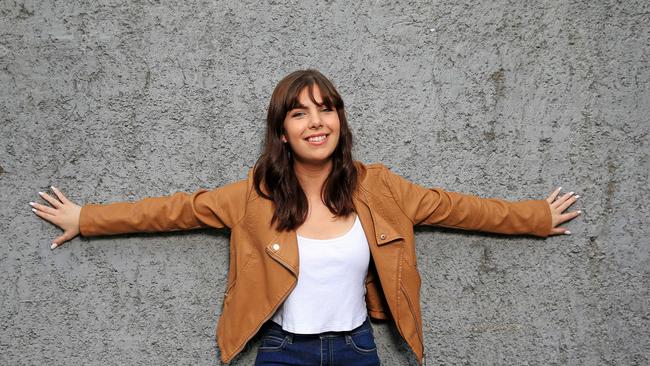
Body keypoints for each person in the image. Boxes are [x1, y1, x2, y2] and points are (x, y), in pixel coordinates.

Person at [30, 69, 581, 366]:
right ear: (283, 131)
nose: (316, 121)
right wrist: (87, 217)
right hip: (281, 352)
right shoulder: (254, 195)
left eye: (326, 108)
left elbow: (460, 207)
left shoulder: (381, 188)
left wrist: (534, 216)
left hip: (357, 348)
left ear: (339, 117)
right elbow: (173, 210)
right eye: (300, 112)